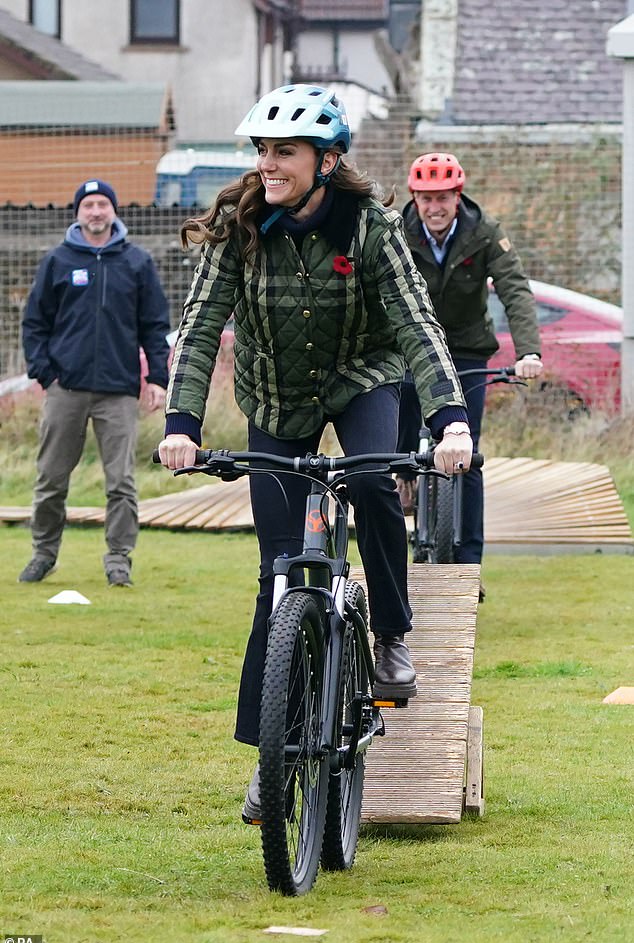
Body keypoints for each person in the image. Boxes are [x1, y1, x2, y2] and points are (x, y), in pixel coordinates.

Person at [157, 85, 472, 821]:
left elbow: (416, 324)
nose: (269, 164)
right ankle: (273, 755)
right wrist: (181, 421)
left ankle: (391, 630)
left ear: (327, 161)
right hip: (276, 397)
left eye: (285, 152)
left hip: (363, 377)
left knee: (370, 485)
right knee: (277, 574)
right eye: (262, 151)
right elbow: (202, 326)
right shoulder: (244, 224)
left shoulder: (368, 225)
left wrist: (450, 418)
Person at [398, 152, 543, 587]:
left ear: (457, 197)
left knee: (469, 456)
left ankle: (468, 564)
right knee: (399, 408)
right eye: (426, 199)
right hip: (409, 345)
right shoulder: (396, 232)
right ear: (415, 200)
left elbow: (515, 289)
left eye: (443, 198)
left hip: (465, 349)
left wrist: (529, 351)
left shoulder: (484, 233)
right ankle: (404, 475)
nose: (434, 208)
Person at [19, 178, 170, 587]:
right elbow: (34, 324)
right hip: (64, 389)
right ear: (78, 213)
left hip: (118, 391)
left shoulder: (136, 262)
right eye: (89, 206)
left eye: (103, 204)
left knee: (120, 482)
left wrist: (156, 378)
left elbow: (154, 326)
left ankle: (118, 559)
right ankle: (43, 554)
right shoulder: (58, 261)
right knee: (51, 479)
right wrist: (45, 373)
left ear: (114, 211)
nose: (96, 212)